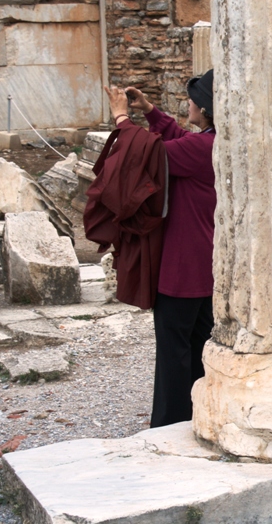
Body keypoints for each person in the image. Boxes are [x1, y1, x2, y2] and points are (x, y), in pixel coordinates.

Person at [105, 70, 217, 428]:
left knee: (173, 352)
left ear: (205, 105)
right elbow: (181, 138)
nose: (187, 105)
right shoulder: (214, 143)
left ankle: (169, 426)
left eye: (191, 99)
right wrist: (151, 111)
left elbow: (144, 156)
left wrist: (121, 117)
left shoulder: (202, 149)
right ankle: (198, 414)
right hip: (208, 265)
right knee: (200, 347)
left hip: (183, 268)